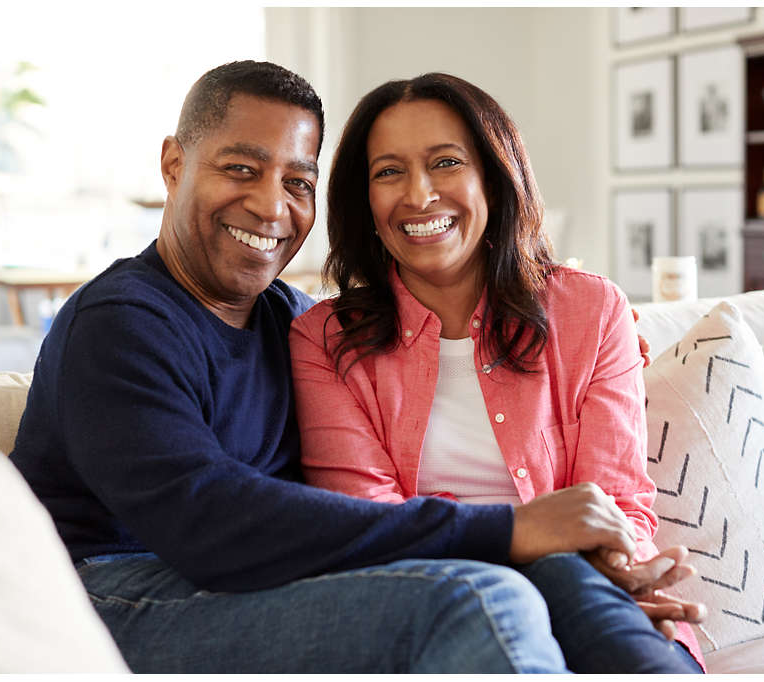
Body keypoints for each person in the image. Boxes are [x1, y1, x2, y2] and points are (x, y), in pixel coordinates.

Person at [8, 60, 689, 674]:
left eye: (296, 181)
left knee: (559, 589)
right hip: (114, 599)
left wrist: (593, 330)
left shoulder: (292, 321)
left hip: (250, 583)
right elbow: (208, 523)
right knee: (479, 600)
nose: (272, 206)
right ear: (174, 165)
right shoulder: (120, 323)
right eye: (241, 169)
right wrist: (509, 530)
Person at [289, 73, 707, 673]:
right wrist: (519, 534)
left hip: (583, 576)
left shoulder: (589, 311)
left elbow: (614, 496)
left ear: (493, 173)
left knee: (588, 600)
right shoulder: (324, 340)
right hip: (439, 594)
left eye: (445, 162)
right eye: (388, 172)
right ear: (364, 200)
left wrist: (624, 575)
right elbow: (369, 522)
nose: (419, 194)